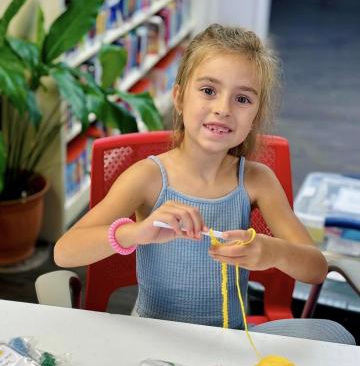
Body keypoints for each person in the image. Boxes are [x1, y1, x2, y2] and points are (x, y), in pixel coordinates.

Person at [54, 24, 354, 345]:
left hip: (230, 338)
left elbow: (315, 269)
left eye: (242, 99)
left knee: (336, 336)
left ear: (255, 116)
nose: (223, 109)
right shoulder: (147, 178)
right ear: (180, 97)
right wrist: (135, 233)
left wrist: (273, 251)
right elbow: (65, 251)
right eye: (209, 91)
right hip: (155, 336)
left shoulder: (257, 180)